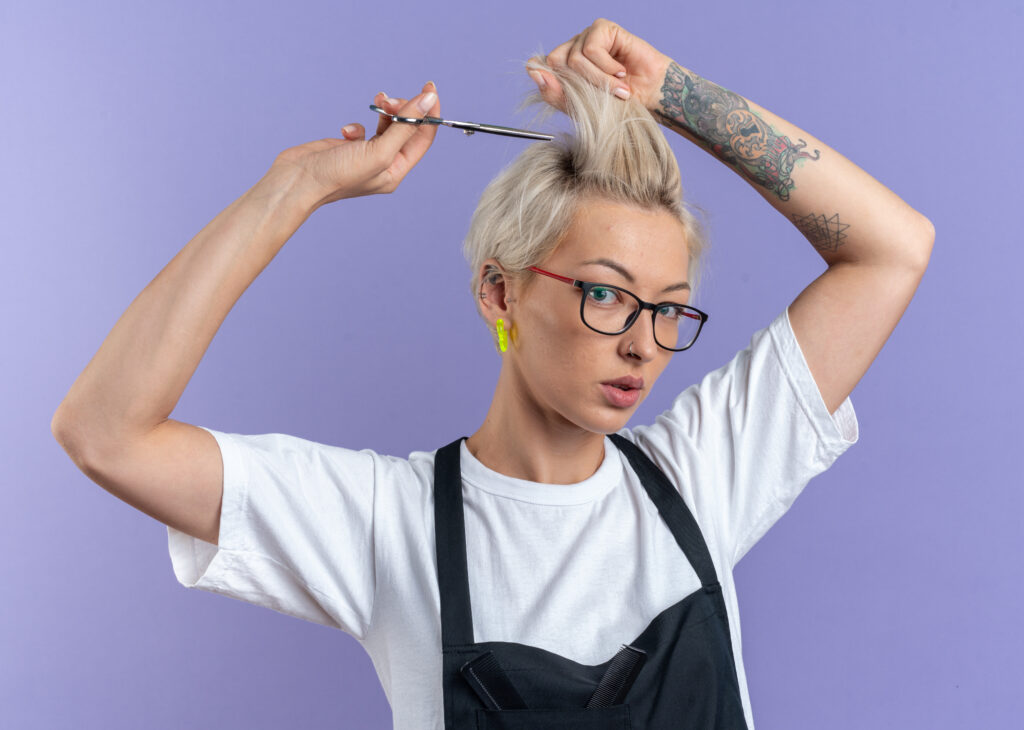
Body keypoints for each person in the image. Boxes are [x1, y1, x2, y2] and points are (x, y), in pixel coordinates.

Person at [51, 17, 933, 730]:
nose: (642, 344)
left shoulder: (705, 477)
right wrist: (293, 189)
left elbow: (892, 250)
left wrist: (670, 95)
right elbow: (105, 433)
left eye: (668, 309)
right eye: (606, 295)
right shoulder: (383, 524)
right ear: (499, 293)